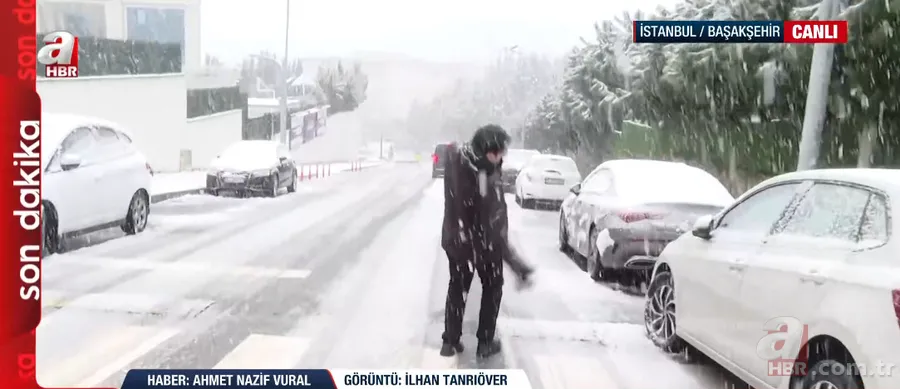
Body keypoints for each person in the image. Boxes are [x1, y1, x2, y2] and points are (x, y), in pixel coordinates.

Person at [440, 124, 535, 359]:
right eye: (497, 152)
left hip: (458, 242)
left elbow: (459, 209)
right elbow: (488, 221)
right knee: (492, 287)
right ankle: (484, 342)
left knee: (458, 286)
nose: (500, 157)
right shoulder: (480, 173)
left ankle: (450, 341)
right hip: (481, 245)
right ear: (485, 150)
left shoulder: (464, 163)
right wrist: (514, 262)